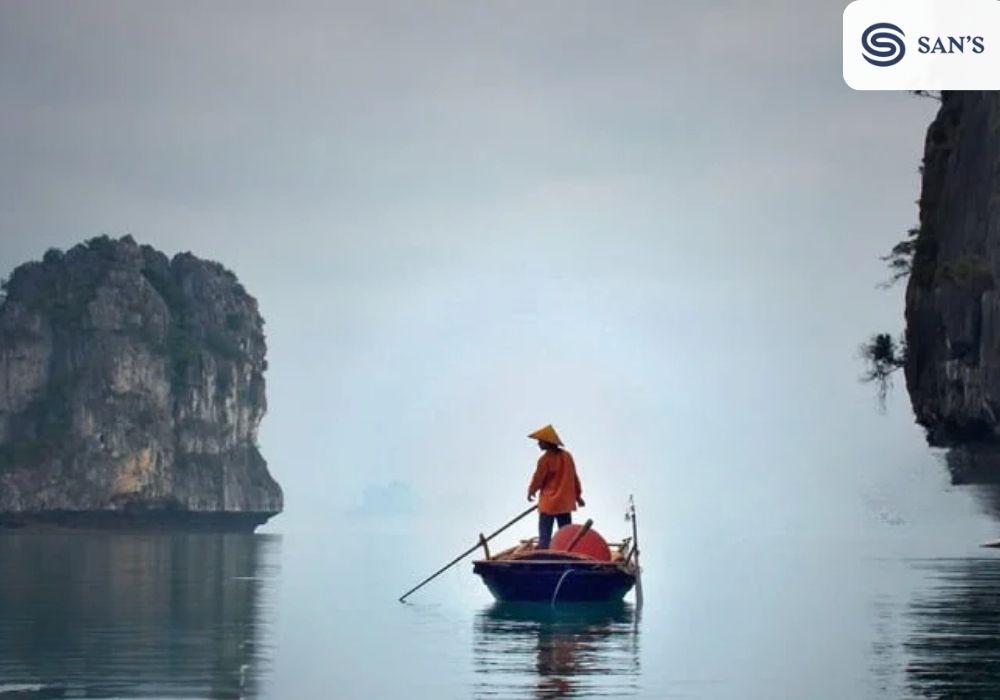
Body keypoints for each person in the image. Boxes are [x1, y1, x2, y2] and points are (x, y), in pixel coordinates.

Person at [526, 424, 585, 549]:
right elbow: (574, 477)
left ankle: (543, 553)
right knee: (566, 535)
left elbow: (538, 479)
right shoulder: (567, 456)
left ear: (547, 443)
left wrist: (531, 491)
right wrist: (578, 496)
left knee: (545, 536)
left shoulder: (545, 459)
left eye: (540, 442)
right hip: (565, 503)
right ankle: (566, 551)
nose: (538, 444)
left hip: (549, 504)